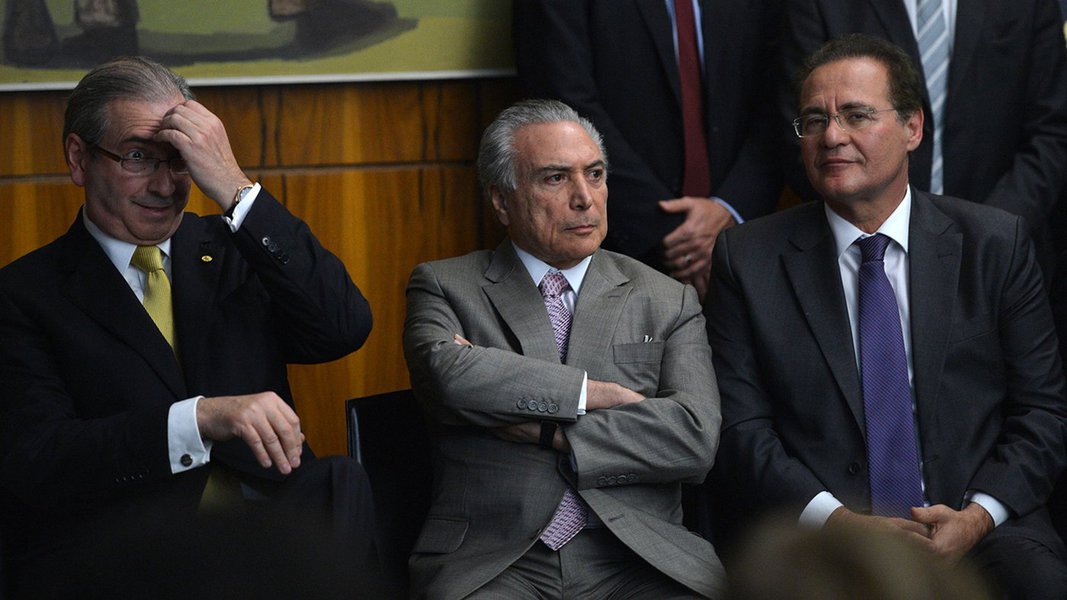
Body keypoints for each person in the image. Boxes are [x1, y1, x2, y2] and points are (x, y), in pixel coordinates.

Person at [0, 56, 380, 597]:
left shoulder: (233, 250)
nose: (165, 185)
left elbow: (342, 327)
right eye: (138, 157)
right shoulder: (24, 294)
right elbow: (41, 459)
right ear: (79, 158)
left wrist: (232, 186)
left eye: (179, 160)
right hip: (131, 551)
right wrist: (197, 420)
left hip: (270, 535)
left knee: (339, 484)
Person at [706, 34, 1067, 599]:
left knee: (1037, 583)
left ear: (913, 128)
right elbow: (741, 430)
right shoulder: (747, 260)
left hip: (979, 523)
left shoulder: (993, 243)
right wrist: (840, 524)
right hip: (821, 536)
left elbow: (1044, 412)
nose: (832, 136)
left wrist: (974, 517)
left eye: (856, 115)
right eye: (814, 120)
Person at [403, 99, 724, 599]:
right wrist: (594, 394)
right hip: (497, 560)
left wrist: (545, 429)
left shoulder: (667, 298)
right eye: (555, 178)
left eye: (594, 175)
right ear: (501, 201)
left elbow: (694, 438)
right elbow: (448, 377)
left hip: (637, 557)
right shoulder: (446, 285)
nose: (584, 199)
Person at [513, 0, 783, 300]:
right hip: (610, 250)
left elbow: (780, 100)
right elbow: (564, 103)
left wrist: (729, 208)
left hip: (741, 246)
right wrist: (679, 235)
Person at [778, 0, 1067, 278]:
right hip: (863, 256)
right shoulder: (817, 5)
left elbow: (1052, 129)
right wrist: (887, 230)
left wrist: (992, 228)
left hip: (1006, 253)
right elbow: (806, 126)